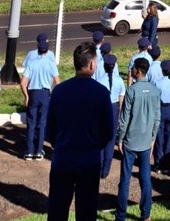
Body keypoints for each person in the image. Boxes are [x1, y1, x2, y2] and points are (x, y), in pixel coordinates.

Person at [45, 41, 114, 221]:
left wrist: (61, 145)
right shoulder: (101, 93)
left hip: (63, 159)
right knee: (86, 213)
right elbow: (107, 132)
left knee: (57, 212)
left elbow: (50, 130)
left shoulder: (59, 91)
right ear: (92, 64)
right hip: (89, 161)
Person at [115, 56, 161, 221]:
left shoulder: (132, 91)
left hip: (130, 141)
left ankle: (120, 215)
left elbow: (125, 118)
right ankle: (146, 214)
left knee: (125, 180)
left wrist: (120, 139)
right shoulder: (155, 90)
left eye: (133, 68)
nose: (132, 70)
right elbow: (157, 118)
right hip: (146, 142)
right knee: (145, 178)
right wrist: (153, 139)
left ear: (138, 71)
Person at [20, 31, 60, 161]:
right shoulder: (50, 63)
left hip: (33, 93)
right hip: (45, 93)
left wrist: (26, 96)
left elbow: (23, 82)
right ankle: (39, 150)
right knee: (42, 122)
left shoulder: (32, 63)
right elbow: (57, 82)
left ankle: (28, 151)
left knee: (31, 122)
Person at [97, 53, 125, 180]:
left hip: (102, 108)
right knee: (111, 139)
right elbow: (121, 100)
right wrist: (119, 115)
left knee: (101, 138)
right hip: (114, 109)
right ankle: (106, 170)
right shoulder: (119, 80)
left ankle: (99, 165)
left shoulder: (100, 81)